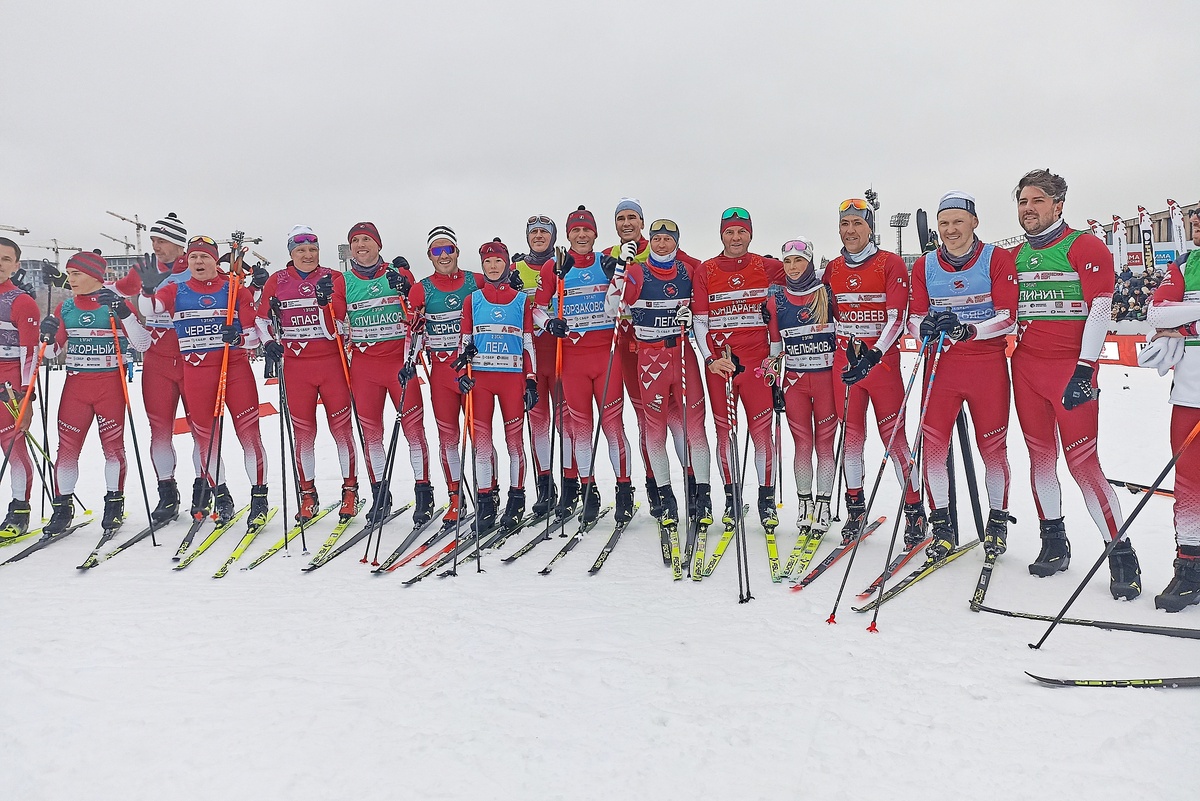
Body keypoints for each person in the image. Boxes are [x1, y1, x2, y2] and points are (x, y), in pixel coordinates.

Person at [1010, 168, 1136, 599]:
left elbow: (1101, 309)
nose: (1029, 209)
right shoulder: (1015, 256)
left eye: (1037, 201)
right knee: (1039, 459)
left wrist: (1085, 368)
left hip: (1070, 370)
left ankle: (1121, 553)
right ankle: (1054, 541)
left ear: (1058, 205)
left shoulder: (1084, 244)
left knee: (1084, 464)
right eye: (1023, 202)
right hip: (1026, 370)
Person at [907, 192, 1018, 561]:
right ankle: (941, 527)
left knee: (993, 451)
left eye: (958, 221)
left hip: (985, 368)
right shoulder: (924, 265)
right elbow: (913, 317)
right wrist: (925, 326)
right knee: (933, 450)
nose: (951, 230)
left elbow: (1007, 318)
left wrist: (968, 330)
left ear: (974, 222)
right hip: (941, 369)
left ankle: (998, 523)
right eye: (944, 223)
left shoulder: (996, 259)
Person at [139, 235, 269, 528]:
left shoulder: (234, 290)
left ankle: (259, 497)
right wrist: (147, 289)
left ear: (215, 261)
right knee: (205, 440)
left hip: (233, 370)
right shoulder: (176, 290)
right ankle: (222, 495)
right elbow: (149, 310)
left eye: (205, 257)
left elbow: (253, 337)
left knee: (249, 436)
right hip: (196, 374)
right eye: (195, 257)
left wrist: (236, 337)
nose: (199, 262)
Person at [824, 199, 925, 545]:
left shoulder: (890, 263)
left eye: (857, 223)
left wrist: (874, 353)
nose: (850, 230)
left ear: (869, 227)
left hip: (880, 366)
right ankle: (855, 510)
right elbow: (824, 312)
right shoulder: (833, 268)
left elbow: (897, 317)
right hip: (845, 365)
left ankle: (914, 512)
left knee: (895, 441)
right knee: (851, 440)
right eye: (844, 224)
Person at [534, 206, 634, 526]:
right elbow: (537, 309)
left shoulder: (606, 264)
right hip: (573, 359)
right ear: (568, 235)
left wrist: (618, 271)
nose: (581, 235)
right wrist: (551, 325)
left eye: (586, 230)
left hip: (606, 356)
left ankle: (623, 490)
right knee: (580, 429)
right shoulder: (555, 267)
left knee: (613, 427)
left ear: (594, 234)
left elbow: (621, 303)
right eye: (575, 230)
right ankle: (588, 490)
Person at [40, 251, 151, 533]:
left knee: (113, 449)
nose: (71, 279)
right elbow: (52, 353)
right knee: (66, 449)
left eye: (76, 273)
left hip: (109, 388)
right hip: (76, 388)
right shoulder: (65, 307)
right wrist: (48, 334)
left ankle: (114, 503)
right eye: (69, 273)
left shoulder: (114, 304)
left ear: (94, 276)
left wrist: (125, 313)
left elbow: (142, 344)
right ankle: (62, 507)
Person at [256, 226, 358, 521]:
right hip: (296, 367)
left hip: (331, 363)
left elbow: (338, 327)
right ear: (291, 253)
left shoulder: (333, 277)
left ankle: (350, 490)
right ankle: (307, 494)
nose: (308, 255)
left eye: (313, 250)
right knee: (303, 435)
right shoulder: (278, 280)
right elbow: (262, 320)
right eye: (301, 250)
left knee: (342, 431)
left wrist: (326, 303)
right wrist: (269, 343)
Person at [692, 207, 785, 528]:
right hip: (722, 366)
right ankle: (732, 499)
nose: (735, 238)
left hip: (759, 367)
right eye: (729, 232)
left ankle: (766, 499)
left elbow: (804, 281)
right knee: (725, 434)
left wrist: (776, 356)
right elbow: (700, 321)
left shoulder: (769, 267)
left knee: (762, 434)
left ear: (750, 233)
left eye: (741, 231)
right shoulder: (706, 270)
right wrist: (710, 359)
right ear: (721, 234)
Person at [112, 213, 207, 523]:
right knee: (160, 431)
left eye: (162, 240)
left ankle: (207, 488)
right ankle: (167, 493)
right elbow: (115, 290)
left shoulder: (196, 266)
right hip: (157, 362)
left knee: (203, 431)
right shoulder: (143, 270)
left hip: (194, 361)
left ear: (179, 245)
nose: (155, 245)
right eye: (153, 240)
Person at [618, 219, 713, 526]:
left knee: (694, 428)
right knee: (654, 429)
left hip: (684, 355)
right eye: (656, 239)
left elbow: (703, 310)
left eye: (667, 239)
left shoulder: (688, 271)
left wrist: (691, 310)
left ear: (676, 241)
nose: (661, 244)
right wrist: (620, 269)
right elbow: (612, 308)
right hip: (651, 360)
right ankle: (666, 497)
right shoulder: (636, 270)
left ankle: (702, 495)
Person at [338, 222, 433, 524]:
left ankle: (424, 492)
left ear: (379, 244)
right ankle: (380, 494)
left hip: (399, 364)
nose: (361, 245)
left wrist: (406, 288)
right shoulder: (344, 281)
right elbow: (337, 327)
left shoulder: (399, 273)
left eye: (367, 239)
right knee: (372, 436)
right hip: (364, 367)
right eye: (355, 241)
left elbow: (419, 317)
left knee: (414, 432)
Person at [456, 239, 537, 532]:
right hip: (481, 381)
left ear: (506, 264)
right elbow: (464, 341)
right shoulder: (473, 300)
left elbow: (528, 342)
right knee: (482, 446)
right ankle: (486, 501)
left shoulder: (520, 300)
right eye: (487, 262)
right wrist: (461, 370)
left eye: (498, 261)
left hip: (512, 380)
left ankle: (516, 500)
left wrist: (531, 380)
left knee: (515, 443)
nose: (492, 266)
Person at [405, 226, 482, 525]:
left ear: (457, 252)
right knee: (447, 438)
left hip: (473, 370)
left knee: (481, 437)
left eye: (448, 249)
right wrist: (409, 359)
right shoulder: (421, 288)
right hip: (441, 373)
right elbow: (413, 332)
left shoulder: (474, 281)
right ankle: (455, 497)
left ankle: (488, 494)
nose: (444, 255)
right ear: (429, 255)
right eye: (437, 251)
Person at [1144, 208, 1200, 611]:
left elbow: (1173, 318)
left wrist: (1185, 322)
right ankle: (1191, 569)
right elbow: (1158, 313)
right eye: (1195, 219)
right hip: (1189, 396)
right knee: (1189, 488)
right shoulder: (1183, 264)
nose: (1197, 223)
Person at [763, 236, 836, 537]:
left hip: (826, 380)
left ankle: (824, 504)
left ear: (809, 262)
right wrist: (771, 380)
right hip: (794, 381)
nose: (793, 267)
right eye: (788, 261)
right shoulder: (776, 299)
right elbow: (775, 347)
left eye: (799, 261)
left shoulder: (826, 293)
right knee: (802, 444)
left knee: (825, 445)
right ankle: (804, 503)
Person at [512, 215, 566, 517]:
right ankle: (545, 487)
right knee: (538, 426)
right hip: (529, 360)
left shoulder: (564, 264)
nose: (538, 236)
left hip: (559, 353)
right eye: (533, 232)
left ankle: (579, 485)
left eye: (544, 232)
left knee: (569, 425)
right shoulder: (514, 269)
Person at [0, 237, 40, 538]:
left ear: (15, 266)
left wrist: (26, 396)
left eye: (5, 259)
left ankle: (19, 510)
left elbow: (30, 353)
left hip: (8, 382)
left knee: (12, 448)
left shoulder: (21, 301)